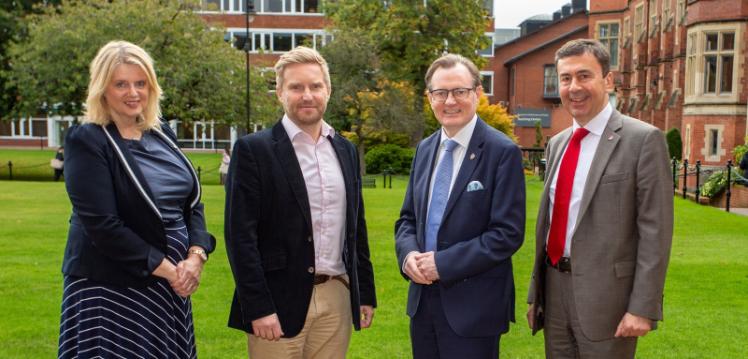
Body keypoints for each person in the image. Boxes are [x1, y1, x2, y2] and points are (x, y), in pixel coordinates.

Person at [57, 40, 215, 359]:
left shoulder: (162, 134)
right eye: (121, 84)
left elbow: (192, 204)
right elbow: (103, 225)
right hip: (109, 289)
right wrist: (172, 271)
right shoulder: (87, 140)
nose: (133, 93)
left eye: (140, 83)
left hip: (166, 290)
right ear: (103, 89)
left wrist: (196, 256)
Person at [225, 46, 376, 358]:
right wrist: (258, 306)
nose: (307, 95)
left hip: (336, 295)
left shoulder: (345, 150)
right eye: (296, 87)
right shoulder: (254, 151)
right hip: (277, 304)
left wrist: (365, 293)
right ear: (280, 92)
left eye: (315, 86)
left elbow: (356, 226)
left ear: (328, 91)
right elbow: (240, 238)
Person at [526, 39, 673, 358]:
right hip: (555, 293)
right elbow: (551, 225)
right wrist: (536, 294)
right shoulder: (558, 144)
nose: (573, 87)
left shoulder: (643, 140)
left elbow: (655, 232)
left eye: (584, 76)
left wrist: (643, 307)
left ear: (608, 80)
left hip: (610, 300)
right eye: (565, 78)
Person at [395, 53, 525, 358]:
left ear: (478, 93)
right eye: (440, 93)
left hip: (475, 310)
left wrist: (442, 264)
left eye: (459, 92)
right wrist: (409, 255)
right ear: (429, 98)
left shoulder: (501, 152)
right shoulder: (425, 150)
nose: (449, 101)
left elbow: (506, 233)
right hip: (423, 305)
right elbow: (407, 219)